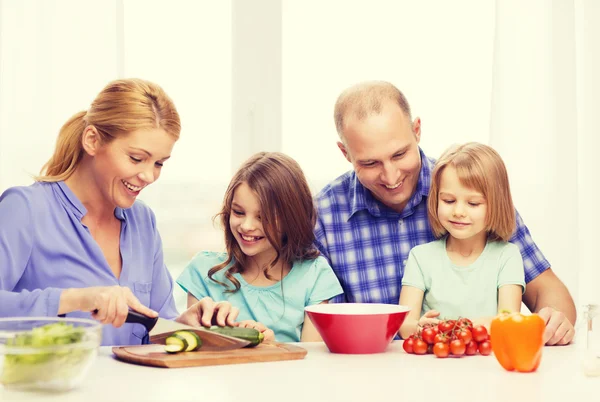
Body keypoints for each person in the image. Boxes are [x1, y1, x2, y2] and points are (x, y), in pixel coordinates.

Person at [314, 80, 576, 345]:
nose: (391, 176)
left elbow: (547, 290)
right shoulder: (323, 215)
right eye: (370, 163)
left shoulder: (469, 188)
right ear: (345, 152)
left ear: (417, 131)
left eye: (400, 154)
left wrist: (555, 320)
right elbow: (317, 325)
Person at [0, 78, 238, 346]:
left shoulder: (142, 222)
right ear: (92, 140)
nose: (148, 175)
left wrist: (187, 325)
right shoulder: (26, 208)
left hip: (132, 388)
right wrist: (77, 298)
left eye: (159, 163)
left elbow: (154, 323)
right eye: (136, 158)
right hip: (48, 386)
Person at [177, 152, 343, 343]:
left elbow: (312, 359)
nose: (247, 226)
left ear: (292, 218)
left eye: (262, 217)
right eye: (238, 212)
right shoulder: (204, 270)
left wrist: (273, 347)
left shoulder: (314, 275)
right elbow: (191, 351)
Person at [398, 143, 524, 338]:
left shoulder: (507, 256)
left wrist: (457, 328)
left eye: (473, 203)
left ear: (496, 204)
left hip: (485, 365)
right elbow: (404, 325)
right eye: (448, 201)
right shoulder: (420, 257)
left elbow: (509, 322)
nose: (458, 212)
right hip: (431, 364)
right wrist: (418, 327)